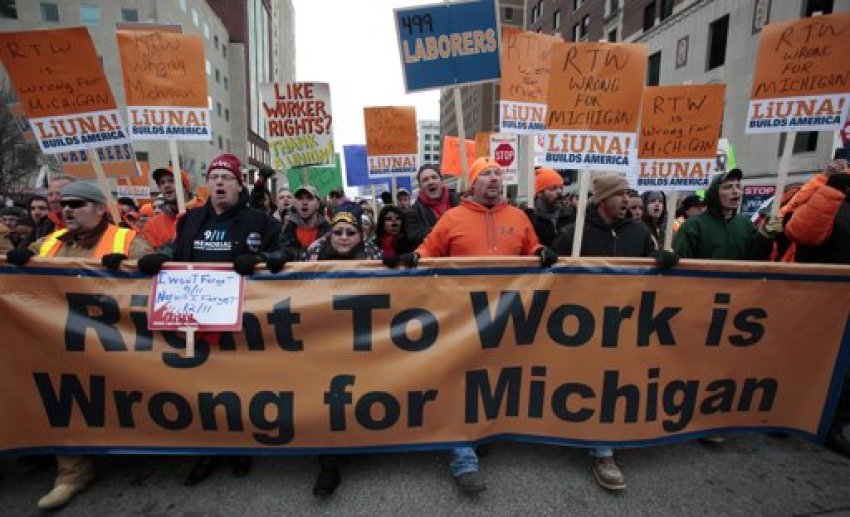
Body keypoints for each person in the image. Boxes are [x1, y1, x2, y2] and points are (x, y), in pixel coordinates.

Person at [386, 157, 557, 494]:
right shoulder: (452, 218)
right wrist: (413, 258)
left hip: (507, 317)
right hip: (461, 320)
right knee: (462, 382)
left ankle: (487, 430)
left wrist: (541, 251)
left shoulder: (519, 216)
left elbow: (531, 245)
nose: (494, 179)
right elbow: (427, 250)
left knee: (495, 379)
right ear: (472, 185)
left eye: (498, 174)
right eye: (487, 175)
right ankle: (463, 456)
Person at [136, 153, 286, 486]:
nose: (219, 182)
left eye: (226, 177)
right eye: (214, 176)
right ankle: (209, 448)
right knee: (203, 388)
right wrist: (157, 259)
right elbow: (175, 249)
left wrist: (260, 259)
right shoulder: (190, 219)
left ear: (238, 184)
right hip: (194, 317)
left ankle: (240, 445)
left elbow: (287, 253)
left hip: (240, 320)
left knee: (236, 386)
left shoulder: (260, 221)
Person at [6, 180, 153, 511]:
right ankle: (72, 473)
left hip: (113, 345)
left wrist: (135, 265)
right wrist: (14, 259)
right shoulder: (48, 242)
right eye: (65, 205)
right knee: (61, 396)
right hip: (58, 345)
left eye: (77, 204)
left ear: (100, 209)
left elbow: (154, 268)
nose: (67, 210)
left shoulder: (126, 239)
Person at [552, 174, 678, 491]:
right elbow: (547, 277)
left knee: (616, 384)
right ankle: (595, 446)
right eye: (621, 194)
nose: (627, 200)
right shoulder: (572, 233)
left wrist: (666, 261)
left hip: (626, 325)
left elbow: (654, 271)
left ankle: (608, 446)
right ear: (603, 198)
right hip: (582, 329)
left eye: (630, 194)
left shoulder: (640, 232)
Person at [783, 172, 850, 457]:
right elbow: (802, 231)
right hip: (821, 302)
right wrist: (833, 188)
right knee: (805, 358)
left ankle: (833, 422)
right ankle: (784, 412)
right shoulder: (828, 191)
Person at [675, 169, 775, 260]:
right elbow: (682, 263)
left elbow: (755, 260)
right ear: (714, 194)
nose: (736, 191)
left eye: (738, 186)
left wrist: (765, 236)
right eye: (728, 187)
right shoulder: (693, 225)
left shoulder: (745, 223)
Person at [142, 166, 200, 250]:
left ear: (185, 186)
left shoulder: (206, 215)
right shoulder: (152, 225)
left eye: (172, 181)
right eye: (162, 183)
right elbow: (148, 255)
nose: (166, 185)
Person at [405, 164, 459, 248]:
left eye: (434, 177)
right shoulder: (413, 212)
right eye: (425, 180)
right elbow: (416, 237)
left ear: (441, 181)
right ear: (420, 187)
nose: (430, 182)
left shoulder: (461, 203)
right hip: (434, 258)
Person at [280, 185, 330, 258]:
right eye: (300, 198)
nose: (304, 203)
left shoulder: (328, 231)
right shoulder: (288, 230)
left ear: (318, 204)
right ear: (295, 203)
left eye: (309, 198)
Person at [530, 168, 573, 246]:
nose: (559, 192)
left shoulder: (571, 215)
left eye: (561, 188)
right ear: (540, 193)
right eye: (553, 188)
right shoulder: (531, 219)